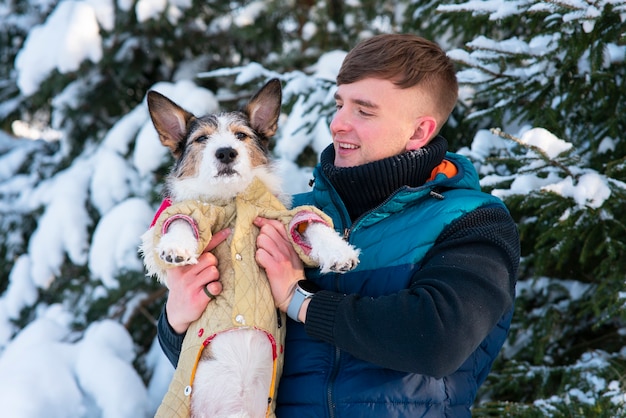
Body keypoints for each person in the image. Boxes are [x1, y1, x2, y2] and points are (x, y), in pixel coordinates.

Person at [156, 33, 520, 417]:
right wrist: (176, 319)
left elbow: (438, 340)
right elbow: (221, 358)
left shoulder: (473, 221)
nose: (338, 124)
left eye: (364, 111)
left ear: (418, 132)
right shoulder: (290, 217)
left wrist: (299, 300)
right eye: (339, 104)